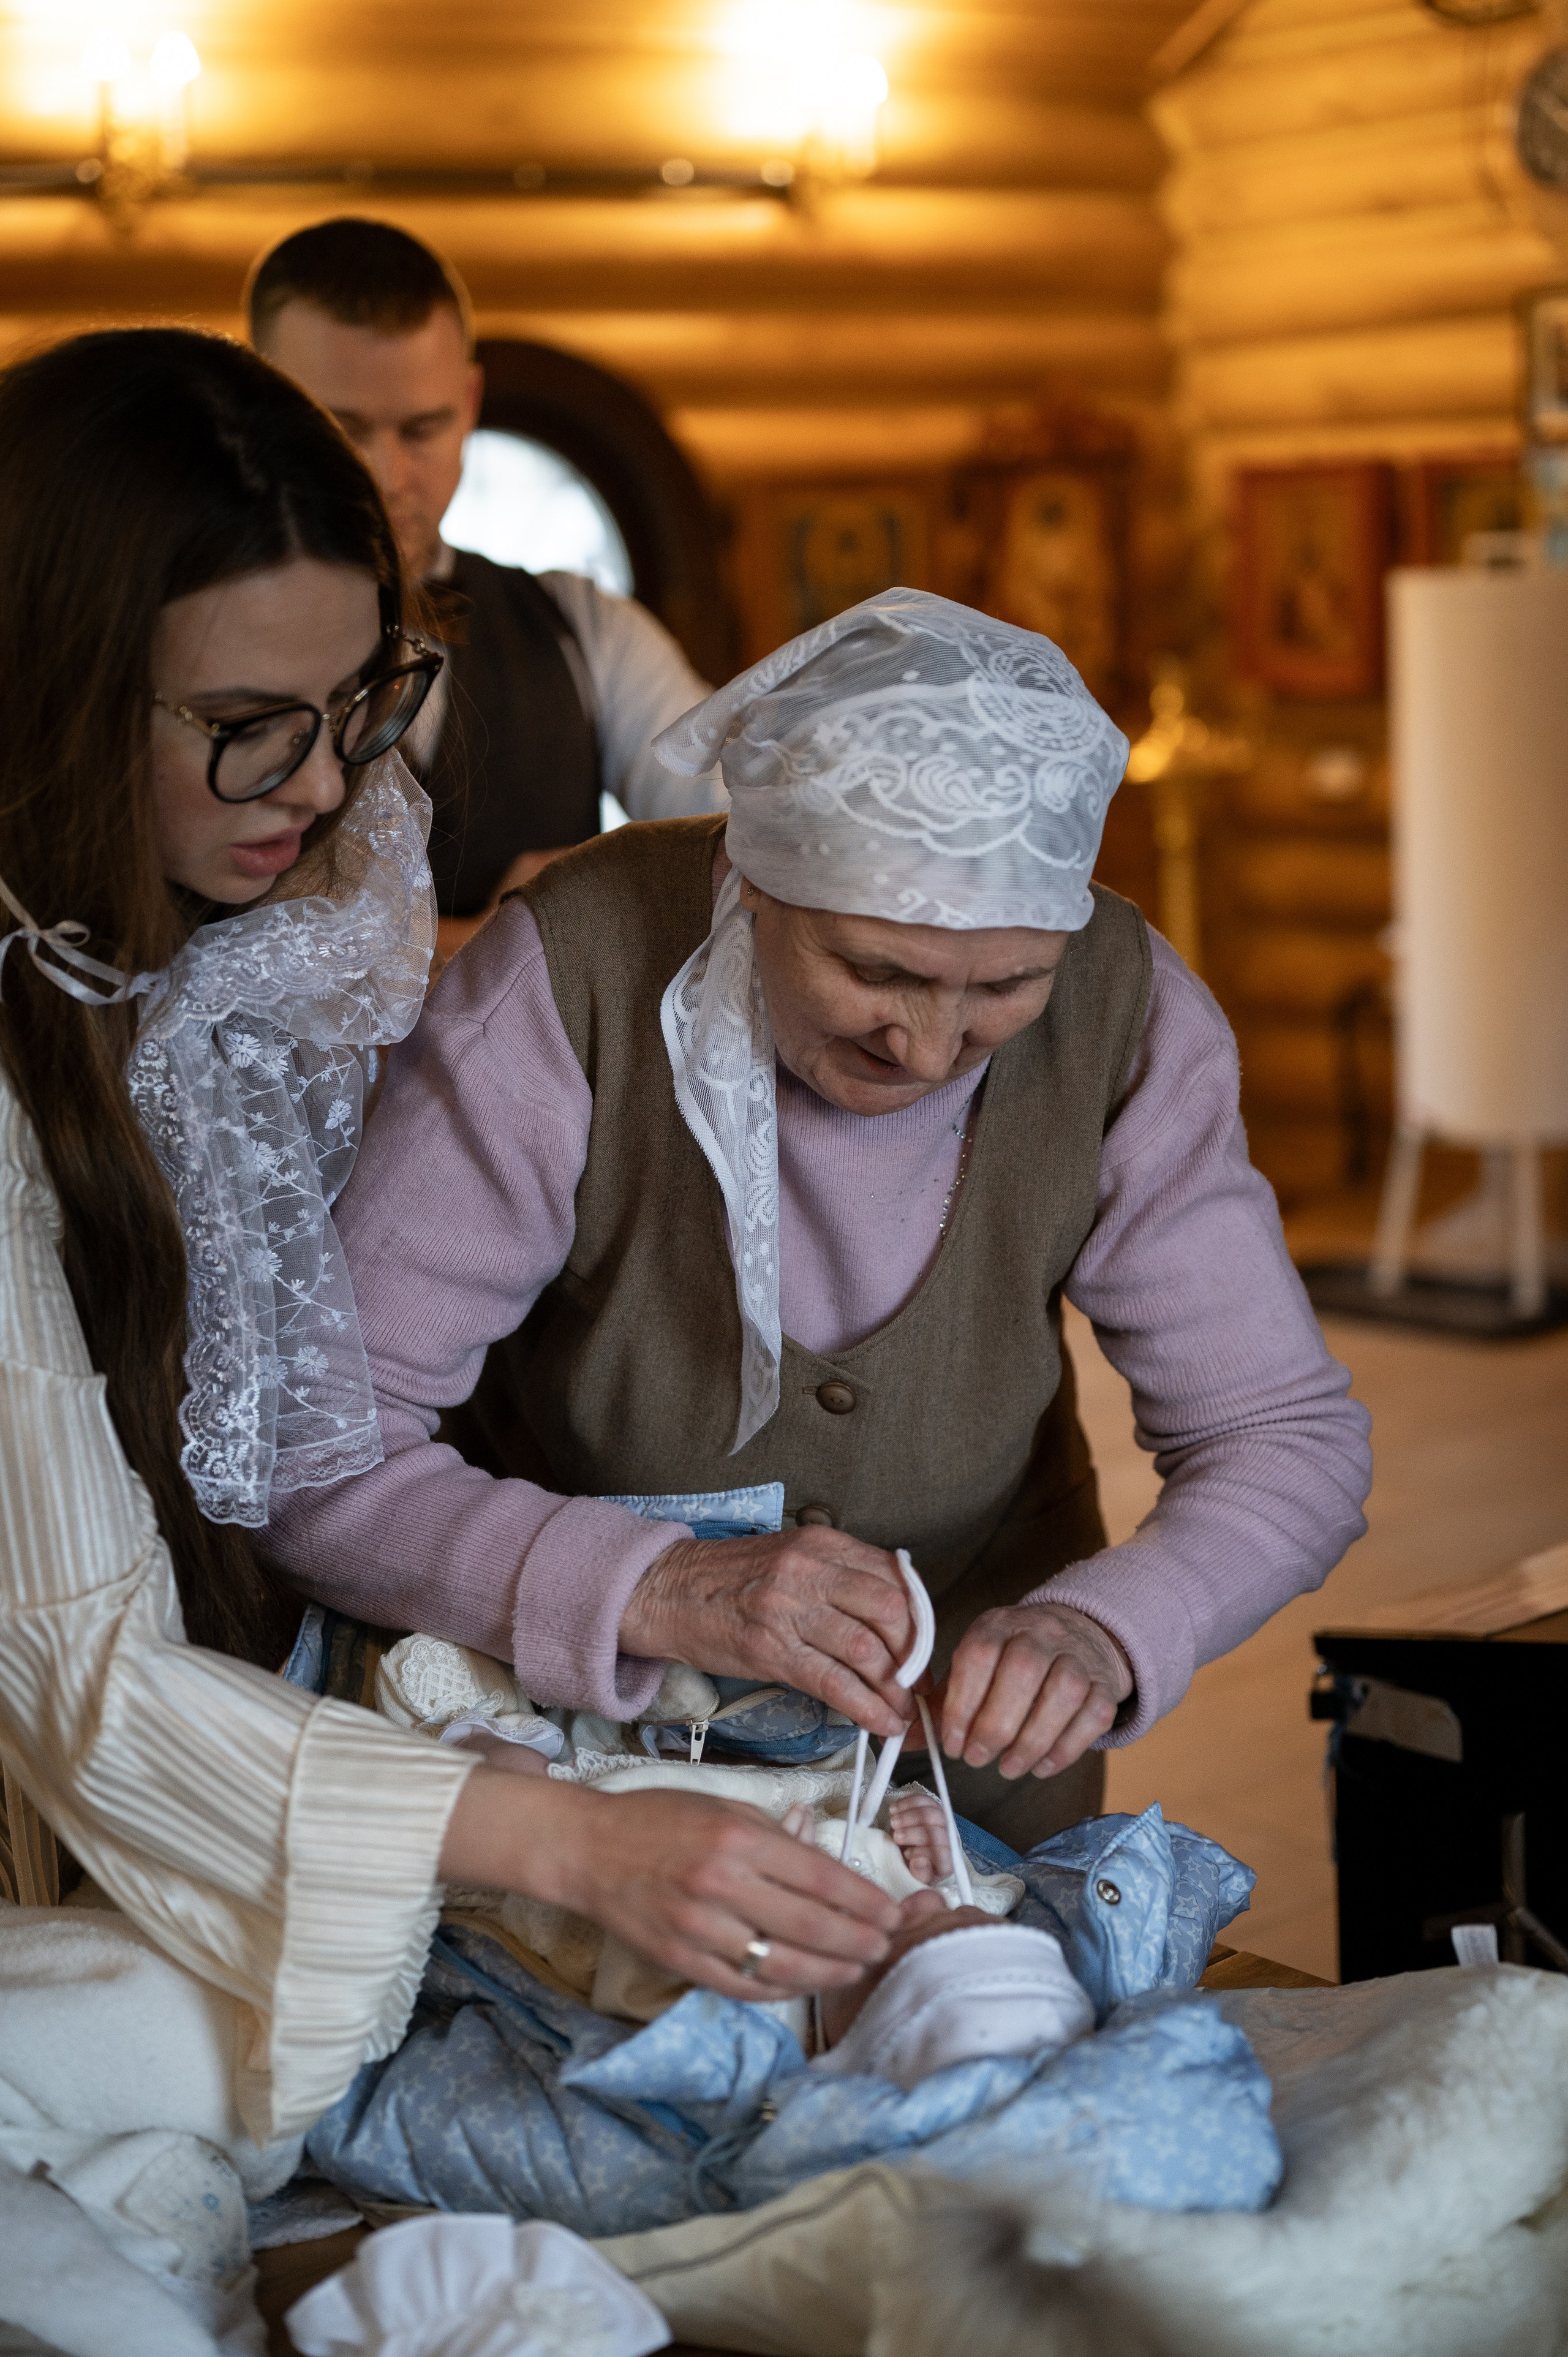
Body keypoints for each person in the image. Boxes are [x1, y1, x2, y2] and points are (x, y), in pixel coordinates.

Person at [0, 326, 904, 2189]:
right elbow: (85, 1678)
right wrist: (560, 1840)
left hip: (271, 1706)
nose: (324, 784)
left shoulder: (298, 919)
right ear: (48, 696)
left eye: (363, 701)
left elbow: (353, 1436)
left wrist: (645, 1621)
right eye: (246, 721)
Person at [267, 589, 1374, 1855]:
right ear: (749, 884)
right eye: (875, 970)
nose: (929, 1043)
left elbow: (1282, 1434)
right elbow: (311, 1455)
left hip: (963, 1791)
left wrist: (1110, 1623)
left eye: (1006, 985)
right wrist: (651, 1584)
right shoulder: (563, 980)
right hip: (580, 1789)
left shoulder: (1129, 1017)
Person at [245, 217, 723, 960]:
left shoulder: (582, 628)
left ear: (468, 405)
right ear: (260, 407)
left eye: (423, 428)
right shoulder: (190, 642)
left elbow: (743, 844)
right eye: (342, 429)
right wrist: (499, 939)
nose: (386, 476)